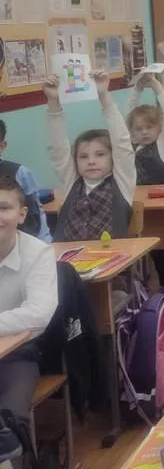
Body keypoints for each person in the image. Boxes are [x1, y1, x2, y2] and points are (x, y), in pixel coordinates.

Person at [45, 71, 136, 241]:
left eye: (100, 154)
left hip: (111, 256)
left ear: (113, 157)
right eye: (83, 157)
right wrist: (53, 102)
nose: (91, 161)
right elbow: (58, 148)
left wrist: (104, 96)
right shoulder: (72, 183)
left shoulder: (122, 182)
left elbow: (122, 142)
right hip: (68, 256)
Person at [0, 176, 58, 430]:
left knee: (8, 420)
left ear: (22, 214)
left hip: (18, 354)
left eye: (3, 208)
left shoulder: (38, 253)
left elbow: (38, 314)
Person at [0, 120, 49, 241]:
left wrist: (45, 242)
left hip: (18, 243)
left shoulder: (20, 173)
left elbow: (36, 214)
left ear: (2, 146)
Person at [126, 73, 164, 185]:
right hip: (137, 193)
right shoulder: (134, 144)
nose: (144, 132)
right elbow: (129, 116)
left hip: (160, 194)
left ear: (159, 127)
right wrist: (138, 88)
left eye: (149, 127)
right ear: (133, 131)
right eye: (139, 129)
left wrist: (155, 85)